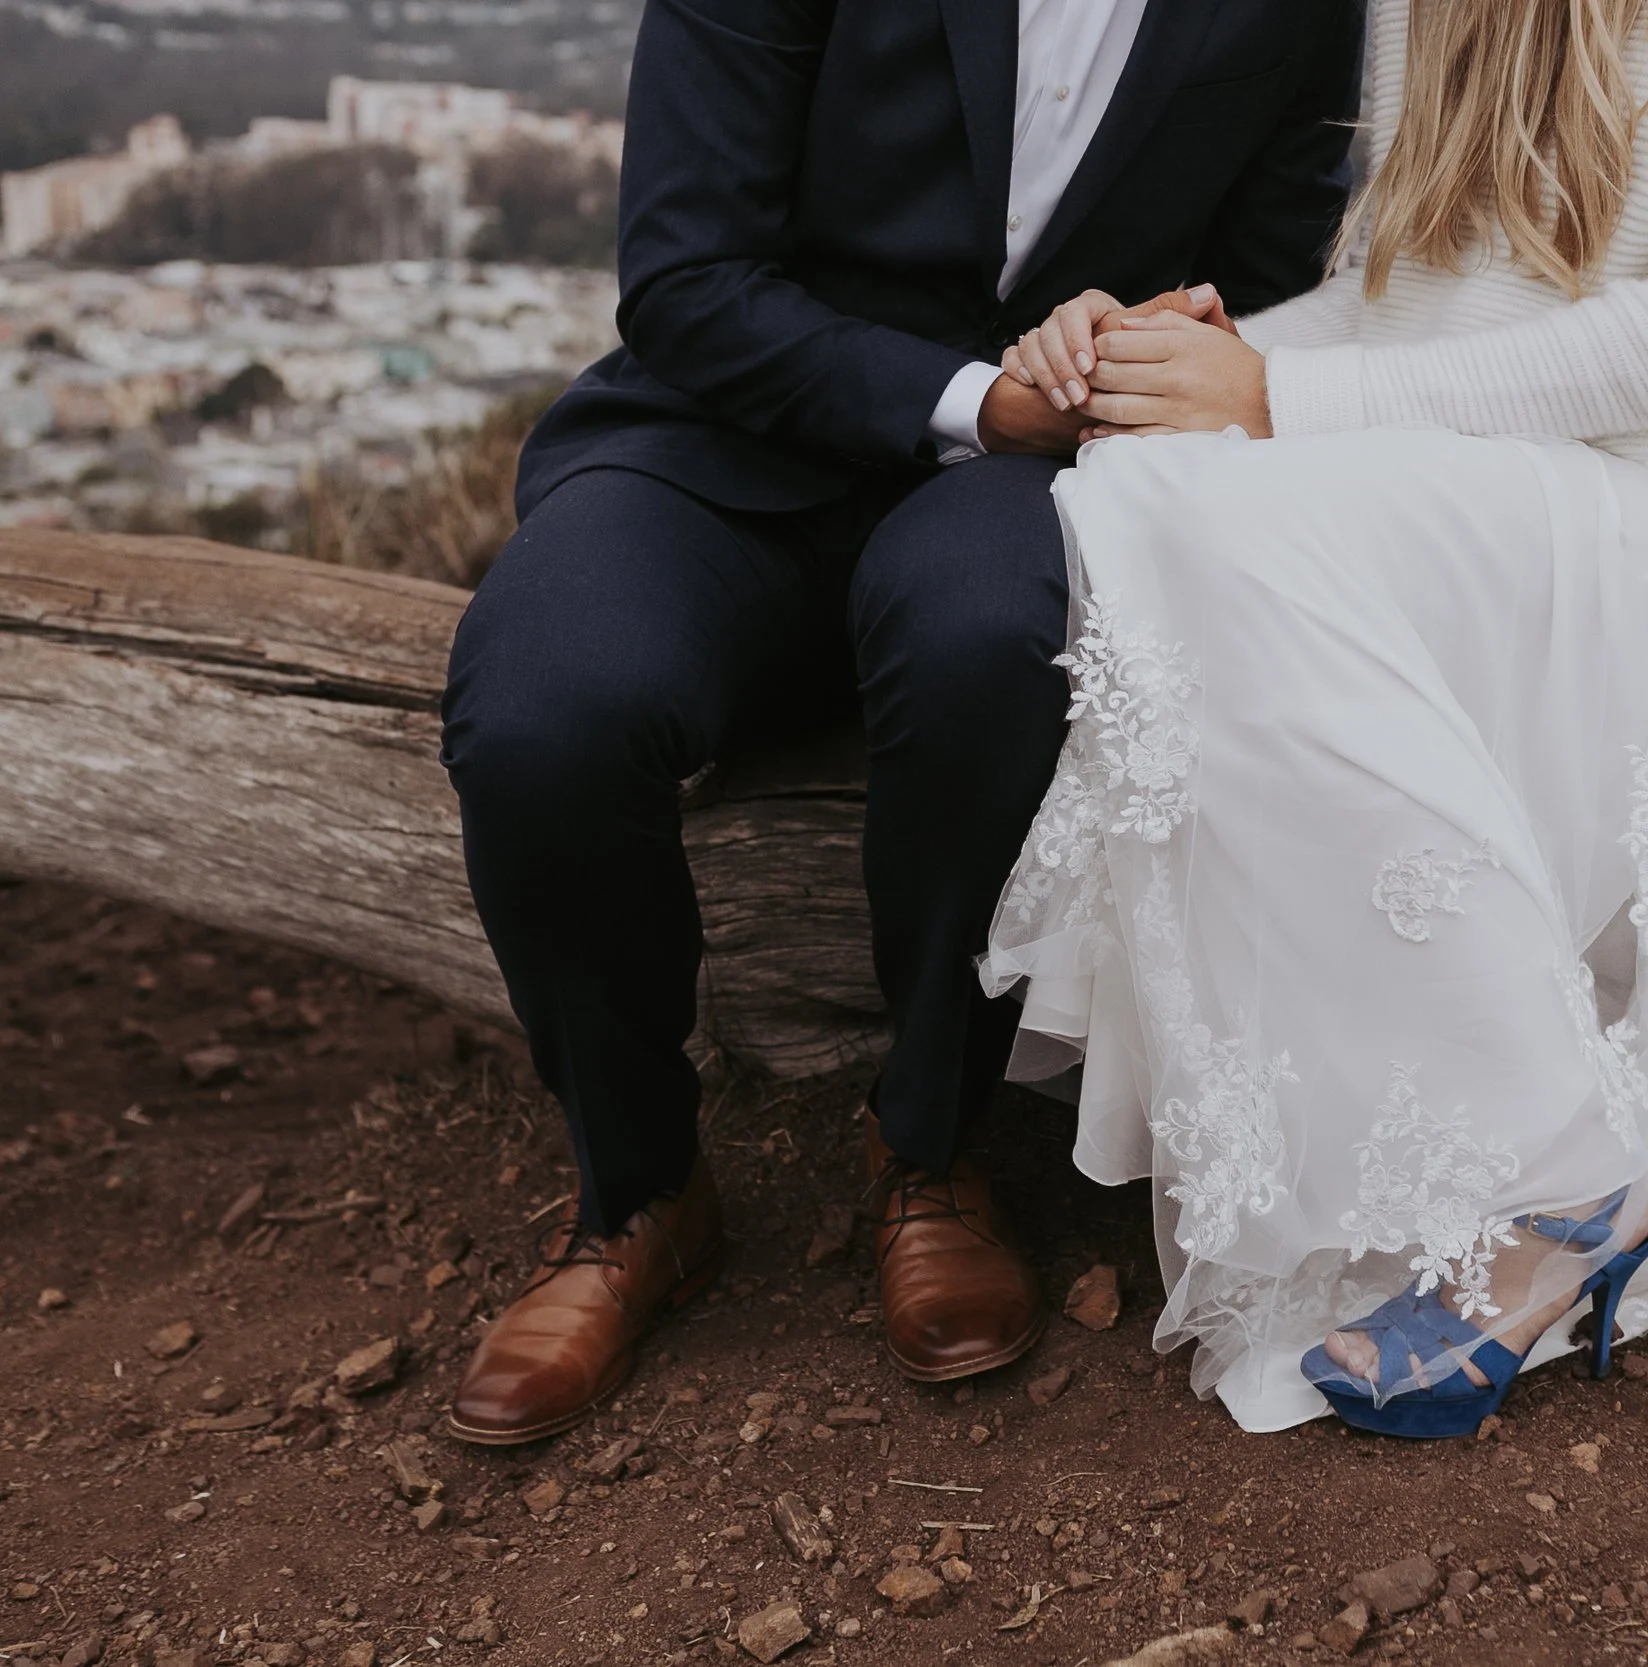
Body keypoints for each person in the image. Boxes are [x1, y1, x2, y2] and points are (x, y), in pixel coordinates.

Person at [979, 0, 1648, 1434]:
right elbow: (1407, 302)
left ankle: (1564, 1169)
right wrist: (1170, 361)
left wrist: (1277, 401)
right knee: (1146, 476)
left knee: (1206, 507)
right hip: (1547, 468)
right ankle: (1478, 1109)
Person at [434, 0, 1364, 1443]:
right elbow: (686, 278)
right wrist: (976, 399)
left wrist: (1157, 339)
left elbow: (1266, 274)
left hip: (1047, 462)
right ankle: (637, 1195)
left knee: (990, 641)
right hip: (728, 431)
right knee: (545, 706)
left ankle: (927, 1144)